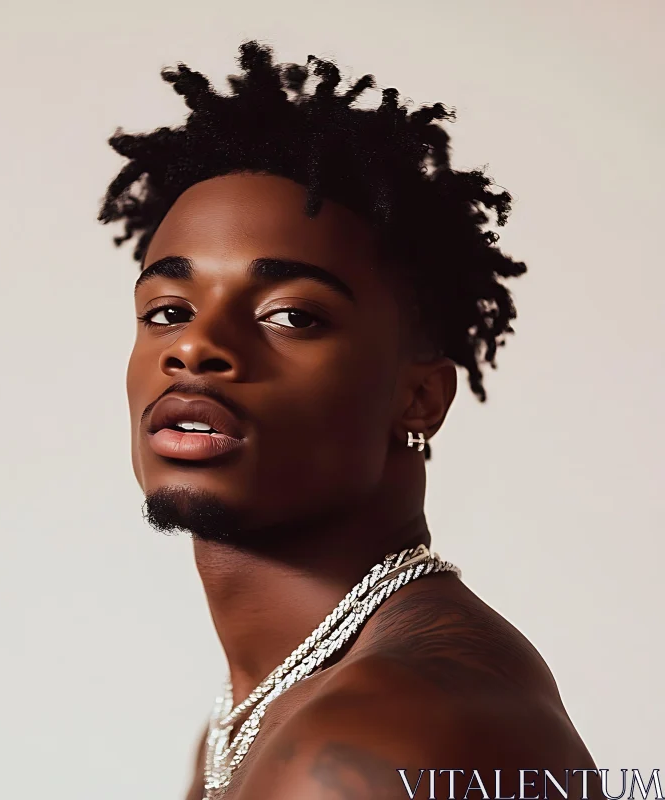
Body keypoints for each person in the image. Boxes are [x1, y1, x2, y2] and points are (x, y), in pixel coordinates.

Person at [98, 40, 599, 800]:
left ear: (420, 399)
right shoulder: (258, 717)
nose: (196, 345)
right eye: (169, 311)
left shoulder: (371, 739)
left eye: (292, 315)